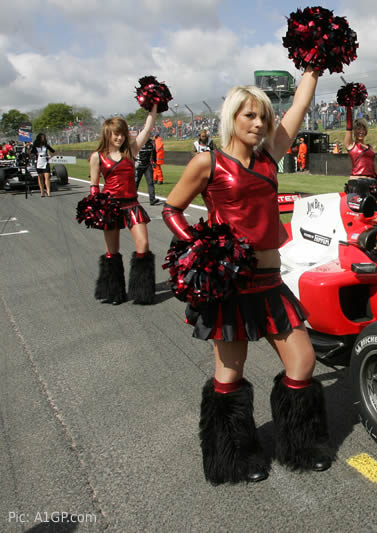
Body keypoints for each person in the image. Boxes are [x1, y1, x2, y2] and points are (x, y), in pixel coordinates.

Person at [162, 68, 331, 485]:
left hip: (271, 282)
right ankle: (233, 457)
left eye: (264, 117)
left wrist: (314, 64)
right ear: (232, 117)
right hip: (230, 285)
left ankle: (299, 444)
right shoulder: (208, 161)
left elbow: (300, 104)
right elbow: (171, 209)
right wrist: (200, 245)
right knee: (230, 373)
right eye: (249, 116)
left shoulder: (269, 156)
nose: (258, 124)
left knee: (303, 360)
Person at [90, 105, 158, 306]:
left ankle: (142, 292)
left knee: (143, 246)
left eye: (122, 134)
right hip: (110, 207)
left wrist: (154, 107)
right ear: (108, 134)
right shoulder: (97, 156)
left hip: (132, 205)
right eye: (116, 134)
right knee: (112, 251)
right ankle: (114, 293)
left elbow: (147, 129)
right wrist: (96, 209)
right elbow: (94, 186)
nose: (120, 138)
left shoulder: (131, 151)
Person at [344, 115, 377, 224]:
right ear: (354, 131)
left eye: (363, 129)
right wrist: (349, 110)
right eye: (358, 129)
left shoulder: (370, 147)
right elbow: (348, 130)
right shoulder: (351, 145)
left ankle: (373, 233)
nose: (361, 131)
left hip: (372, 184)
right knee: (358, 217)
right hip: (357, 184)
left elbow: (373, 165)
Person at [134, 137, 160, 206]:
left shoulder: (151, 143)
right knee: (136, 183)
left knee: (150, 182)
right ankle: (132, 198)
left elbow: (154, 153)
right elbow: (132, 153)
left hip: (147, 165)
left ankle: (152, 199)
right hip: (138, 166)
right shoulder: (138, 142)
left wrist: (154, 162)